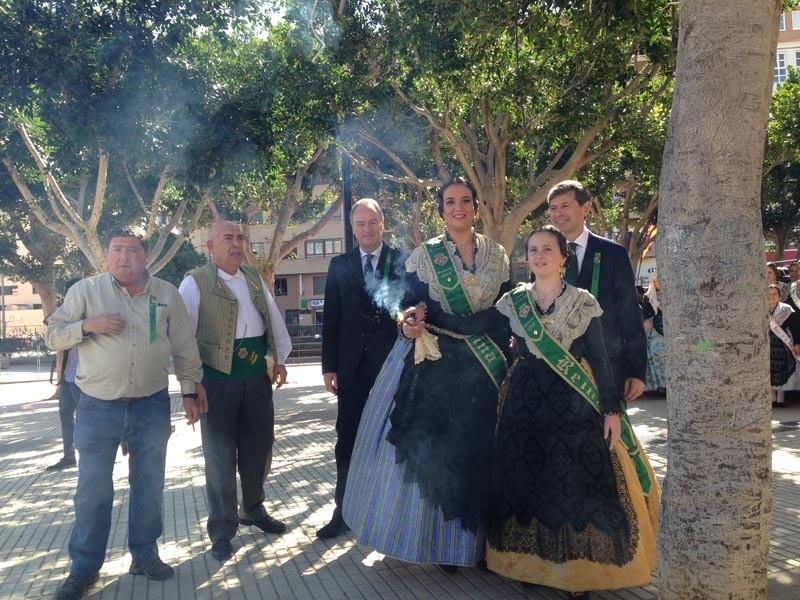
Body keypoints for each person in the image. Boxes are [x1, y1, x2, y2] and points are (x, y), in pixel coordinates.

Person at [430, 226, 658, 597]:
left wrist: (611, 410)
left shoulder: (583, 302)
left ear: (564, 257)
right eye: (533, 249)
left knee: (572, 487)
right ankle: (532, 564)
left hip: (572, 408)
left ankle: (578, 574)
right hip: (523, 406)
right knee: (529, 484)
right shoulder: (514, 301)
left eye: (548, 249)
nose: (539, 255)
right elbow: (474, 326)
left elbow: (600, 359)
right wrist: (422, 316)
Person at [342, 177, 511, 570]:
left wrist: (482, 326)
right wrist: (407, 323)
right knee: (440, 457)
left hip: (484, 370)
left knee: (483, 453)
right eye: (450, 202)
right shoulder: (424, 256)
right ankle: (447, 547)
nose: (458, 208)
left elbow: (506, 303)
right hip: (438, 370)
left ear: (475, 207)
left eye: (465, 201)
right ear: (441, 210)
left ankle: (486, 545)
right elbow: (407, 306)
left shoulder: (498, 254)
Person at [45, 227, 206, 600]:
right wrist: (88, 326)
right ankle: (83, 570)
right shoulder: (85, 291)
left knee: (149, 485)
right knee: (93, 492)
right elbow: (52, 335)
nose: (124, 257)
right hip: (97, 407)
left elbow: (184, 346)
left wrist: (189, 390)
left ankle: (144, 555)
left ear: (145, 255)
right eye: (117, 249)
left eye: (131, 250)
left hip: (151, 405)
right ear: (107, 255)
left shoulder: (166, 294)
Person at [178, 221, 292, 562]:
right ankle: (222, 530)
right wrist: (189, 387)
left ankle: (253, 509)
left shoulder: (253, 278)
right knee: (220, 458)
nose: (236, 244)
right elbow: (182, 337)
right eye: (227, 238)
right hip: (215, 383)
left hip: (256, 378)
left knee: (260, 448)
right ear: (210, 246)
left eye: (239, 238)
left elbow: (272, 318)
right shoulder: (195, 281)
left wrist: (279, 358)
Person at [318, 199, 402, 538]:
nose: (366, 229)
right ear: (353, 228)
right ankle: (343, 511)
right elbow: (331, 318)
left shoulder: (402, 260)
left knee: (391, 440)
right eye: (360, 224)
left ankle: (388, 514)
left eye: (372, 222)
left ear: (382, 223)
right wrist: (329, 367)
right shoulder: (340, 265)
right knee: (348, 440)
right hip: (350, 370)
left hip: (391, 367)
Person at [548, 180, 647, 403]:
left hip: (606, 368)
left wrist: (636, 370)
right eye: (553, 208)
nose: (558, 213)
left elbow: (629, 313)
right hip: (556, 366)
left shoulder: (613, 254)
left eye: (565, 206)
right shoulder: (542, 254)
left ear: (586, 208)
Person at [45, 278, 82, 471]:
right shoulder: (64, 314)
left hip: (84, 378)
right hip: (67, 376)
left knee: (88, 417)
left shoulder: (89, 313)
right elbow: (50, 325)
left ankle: (93, 453)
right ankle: (69, 455)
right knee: (65, 415)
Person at [769, 284, 800, 408]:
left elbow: (795, 327)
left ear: (779, 295)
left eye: (774, 294)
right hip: (767, 344)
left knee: (782, 369)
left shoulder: (786, 309)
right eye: (769, 294)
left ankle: (780, 399)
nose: (772, 297)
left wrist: (797, 343)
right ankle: (772, 398)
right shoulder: (760, 309)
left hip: (783, 344)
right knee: (770, 370)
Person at [644, 274, 666, 395]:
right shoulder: (648, 296)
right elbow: (644, 313)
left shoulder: (670, 293)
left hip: (667, 331)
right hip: (654, 331)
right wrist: (646, 321)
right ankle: (661, 385)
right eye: (657, 280)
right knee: (656, 359)